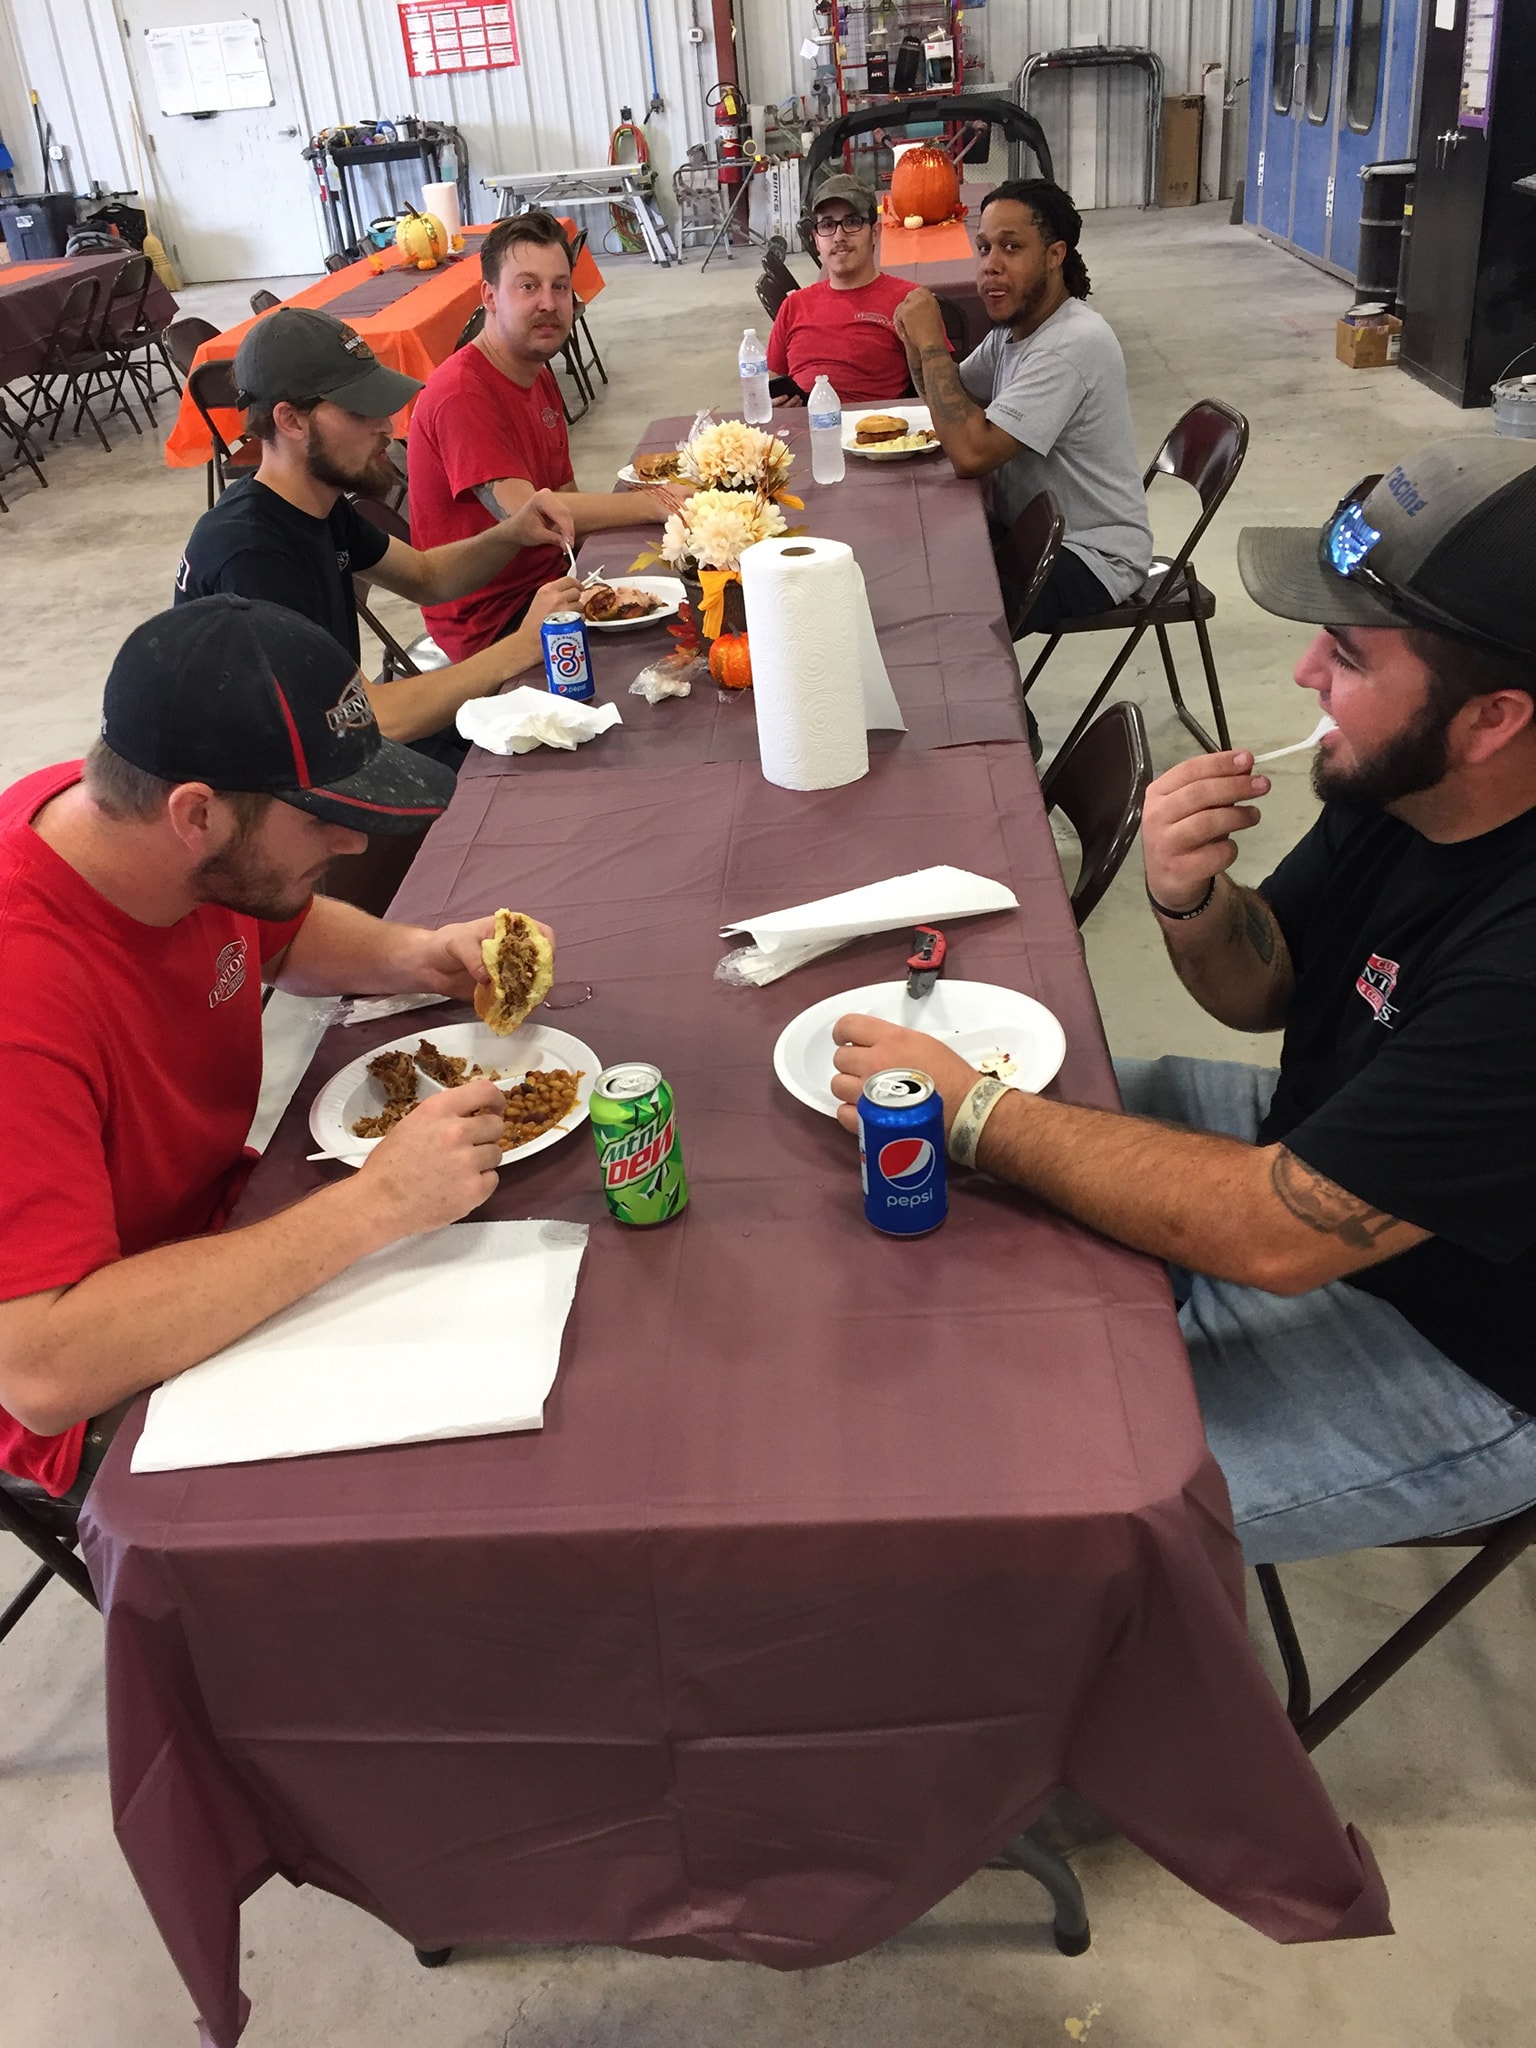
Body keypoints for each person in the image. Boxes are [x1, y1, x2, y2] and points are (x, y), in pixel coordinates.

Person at [830, 437, 1536, 1566]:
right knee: (910, 1176)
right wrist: (1192, 896)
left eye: (1349, 654)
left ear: (1492, 718)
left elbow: (1273, 1232)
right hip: (1311, 1146)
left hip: (1463, 1345)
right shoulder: (1409, 780)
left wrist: (983, 1114)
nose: (1304, 671)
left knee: (1008, 1518)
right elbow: (1266, 989)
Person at [0, 596, 532, 1501]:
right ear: (196, 814)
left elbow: (274, 926)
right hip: (94, 1359)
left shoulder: (143, 825)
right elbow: (46, 1371)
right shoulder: (23, 997)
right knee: (439, 1479)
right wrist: (375, 1206)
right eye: (319, 817)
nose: (352, 840)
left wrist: (419, 956)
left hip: (226, 1218)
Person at [176, 308, 581, 773]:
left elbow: (427, 576)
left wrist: (513, 532)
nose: (386, 426)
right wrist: (522, 647)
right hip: (283, 784)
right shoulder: (252, 555)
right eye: (359, 411)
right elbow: (371, 718)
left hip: (336, 741)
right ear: (290, 420)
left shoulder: (315, 503)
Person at [407, 210, 686, 662]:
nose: (549, 303)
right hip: (496, 622)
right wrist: (656, 502)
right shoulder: (461, 393)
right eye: (528, 286)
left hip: (557, 579)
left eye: (560, 287)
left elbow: (565, 497)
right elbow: (534, 516)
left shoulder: (536, 373)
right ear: (489, 296)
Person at [893, 179, 1152, 638]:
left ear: (1055, 255)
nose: (990, 266)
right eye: (984, 248)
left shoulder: (1070, 344)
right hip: (1026, 531)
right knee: (913, 563)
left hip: (1088, 553)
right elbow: (952, 407)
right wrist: (916, 346)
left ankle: (984, 690)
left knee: (948, 618)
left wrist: (933, 342)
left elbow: (970, 454)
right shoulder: (1015, 332)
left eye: (1011, 248)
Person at [765, 174, 920, 405]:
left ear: (875, 233)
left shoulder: (909, 302)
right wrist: (776, 405)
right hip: (803, 422)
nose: (839, 236)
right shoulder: (793, 306)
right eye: (827, 225)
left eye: (852, 222)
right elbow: (769, 384)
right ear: (816, 240)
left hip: (875, 424)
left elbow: (938, 386)